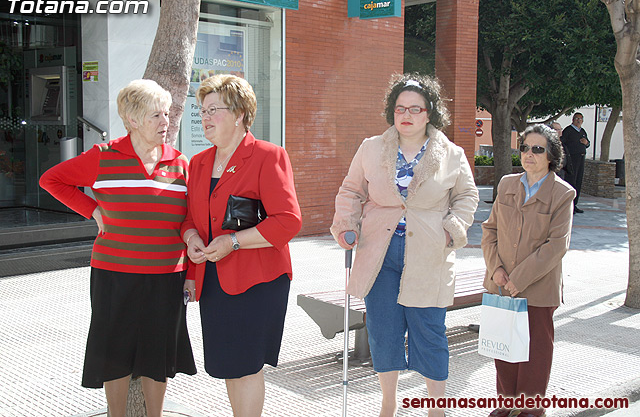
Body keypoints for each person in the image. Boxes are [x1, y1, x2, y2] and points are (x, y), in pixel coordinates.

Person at [39, 79, 197, 417]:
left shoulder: (181, 163)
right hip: (113, 273)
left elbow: (190, 223)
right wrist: (92, 210)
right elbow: (51, 180)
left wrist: (192, 274)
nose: (165, 122)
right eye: (156, 115)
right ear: (133, 119)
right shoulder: (103, 157)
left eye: (166, 114)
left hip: (167, 275)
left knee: (158, 354)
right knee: (115, 351)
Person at [331, 73, 479, 417]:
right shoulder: (371, 147)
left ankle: (436, 409)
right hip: (378, 252)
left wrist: (450, 230)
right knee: (383, 330)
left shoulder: (451, 153)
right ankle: (388, 404)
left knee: (428, 330)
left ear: (430, 113)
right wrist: (346, 225)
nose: (406, 115)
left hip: (428, 254)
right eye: (400, 108)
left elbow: (467, 196)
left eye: (415, 108)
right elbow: (351, 191)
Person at [181, 74, 302, 417]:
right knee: (229, 366)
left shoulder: (267, 156)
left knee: (247, 366)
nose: (204, 117)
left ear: (239, 114)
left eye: (213, 110)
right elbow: (191, 221)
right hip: (214, 280)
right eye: (201, 110)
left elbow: (288, 220)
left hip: (257, 280)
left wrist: (233, 241)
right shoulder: (199, 163)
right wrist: (192, 242)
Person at [481, 124, 576, 417]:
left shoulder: (562, 194)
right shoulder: (507, 184)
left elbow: (556, 246)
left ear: (551, 156)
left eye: (537, 149)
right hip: (500, 284)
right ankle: (506, 405)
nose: (529, 154)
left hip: (537, 289)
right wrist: (496, 269)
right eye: (524, 148)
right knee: (503, 349)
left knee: (534, 355)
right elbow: (489, 230)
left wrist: (519, 279)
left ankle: (531, 410)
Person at [561, 113, 590, 213]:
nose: (579, 121)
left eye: (581, 119)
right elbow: (562, 142)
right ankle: (569, 204)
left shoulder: (582, 131)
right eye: (577, 118)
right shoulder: (568, 130)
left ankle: (575, 204)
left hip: (581, 158)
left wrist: (586, 143)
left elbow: (588, 143)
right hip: (572, 159)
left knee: (578, 180)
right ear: (573, 119)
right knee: (571, 180)